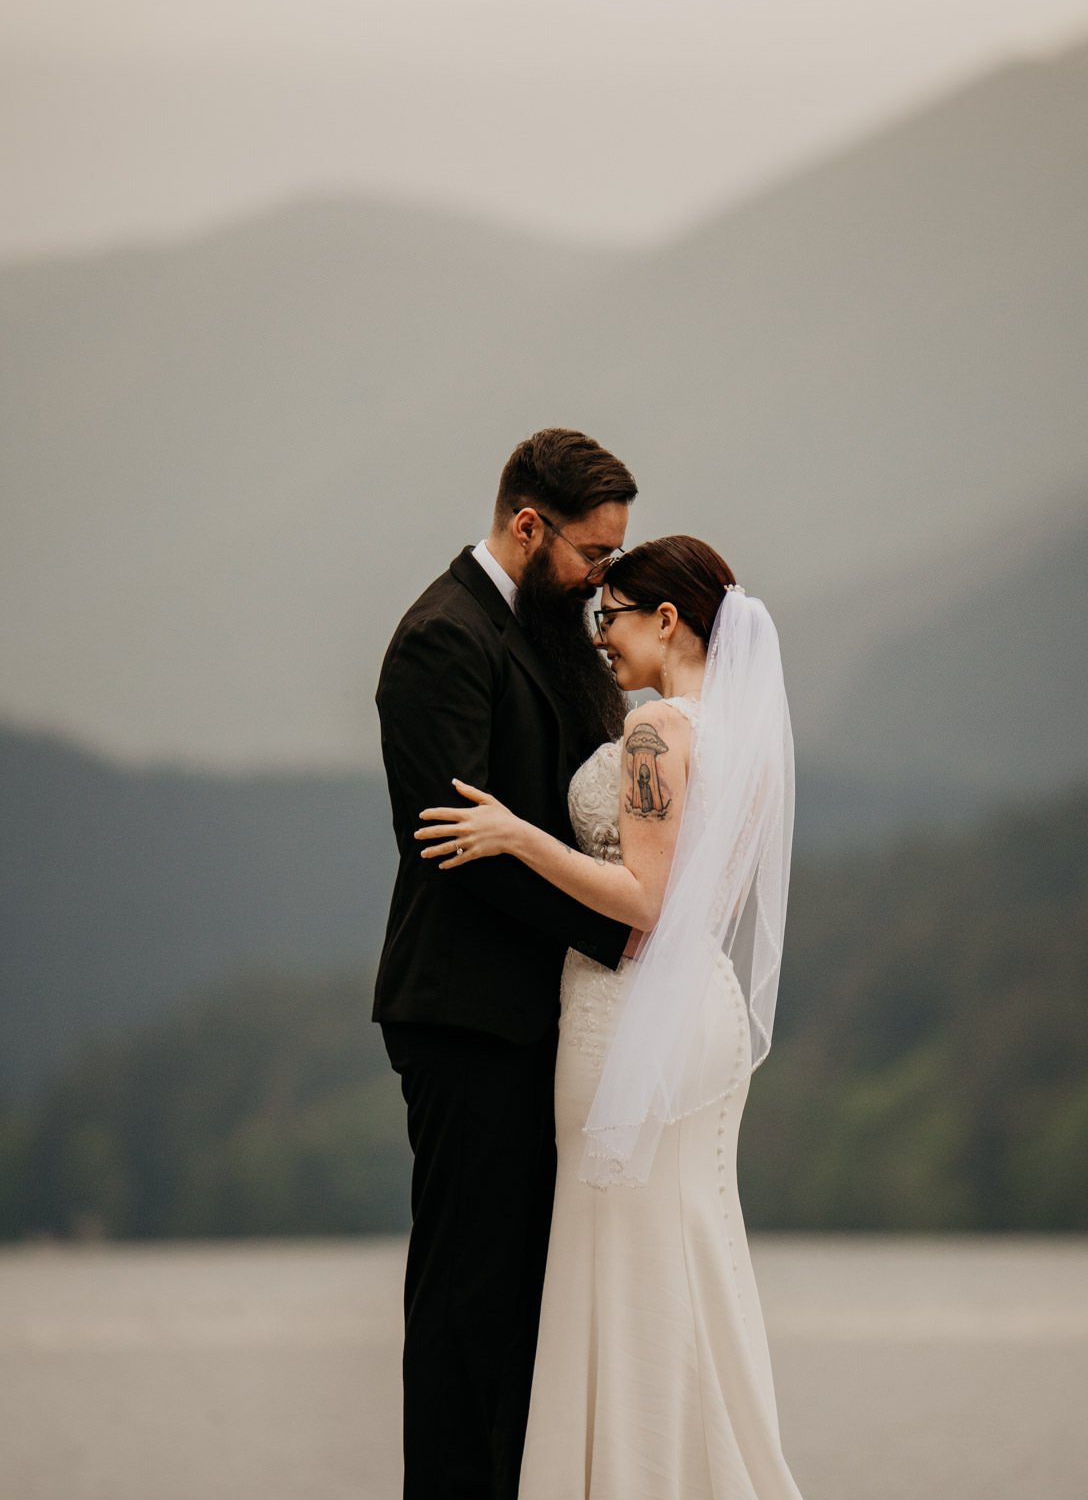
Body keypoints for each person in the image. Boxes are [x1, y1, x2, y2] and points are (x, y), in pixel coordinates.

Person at [417, 535, 803, 1499]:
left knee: (624, 1257)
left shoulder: (655, 733)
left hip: (631, 1010)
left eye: (612, 616)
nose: (601, 640)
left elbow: (644, 898)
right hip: (695, 1006)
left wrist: (517, 836)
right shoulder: (739, 735)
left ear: (665, 619)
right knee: (691, 1250)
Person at [373, 427, 638, 1500]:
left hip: (543, 1013)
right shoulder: (443, 637)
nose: (599, 581)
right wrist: (624, 933)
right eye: (590, 556)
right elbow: (456, 846)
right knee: (468, 1299)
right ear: (528, 526)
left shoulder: (542, 629)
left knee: (530, 1294)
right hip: (469, 1014)